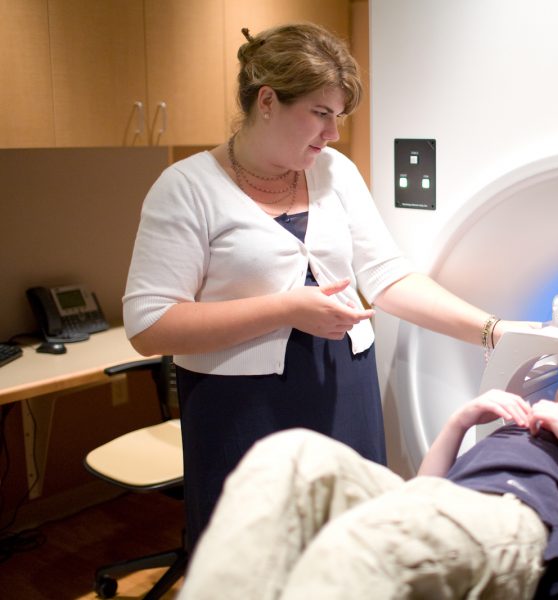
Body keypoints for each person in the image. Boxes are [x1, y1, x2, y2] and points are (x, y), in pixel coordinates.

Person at [122, 22, 529, 549]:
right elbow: (149, 325)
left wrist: (492, 330)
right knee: (258, 557)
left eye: (337, 117)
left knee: (354, 545)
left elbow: (387, 277)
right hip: (242, 403)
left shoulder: (335, 172)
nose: (333, 134)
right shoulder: (186, 189)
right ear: (267, 101)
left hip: (342, 385)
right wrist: (287, 308)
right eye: (320, 114)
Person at [177, 365, 558, 599]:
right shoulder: (518, 421)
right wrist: (461, 420)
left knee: (361, 541)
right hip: (438, 500)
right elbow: (423, 488)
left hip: (512, 520)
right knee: (290, 454)